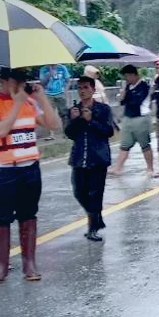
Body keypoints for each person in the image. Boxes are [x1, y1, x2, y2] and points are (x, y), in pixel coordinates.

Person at [0, 67, 62, 284]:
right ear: (3, 81)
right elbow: (0, 130)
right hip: (2, 169)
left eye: (24, 79)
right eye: (18, 79)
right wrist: (16, 102)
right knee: (0, 218)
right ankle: (1, 266)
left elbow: (54, 125)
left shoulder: (29, 102)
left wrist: (41, 98)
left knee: (28, 214)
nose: (22, 84)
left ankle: (29, 263)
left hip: (29, 167)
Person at [65, 76, 115, 241]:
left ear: (93, 89)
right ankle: (97, 218)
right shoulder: (74, 109)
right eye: (79, 88)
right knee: (79, 192)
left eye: (86, 87)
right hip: (79, 158)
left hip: (98, 158)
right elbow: (69, 134)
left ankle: (92, 228)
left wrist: (90, 120)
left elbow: (108, 131)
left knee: (96, 193)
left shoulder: (103, 109)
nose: (82, 91)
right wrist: (75, 120)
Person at [109, 64, 155, 177]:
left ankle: (150, 168)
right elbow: (123, 102)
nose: (126, 79)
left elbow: (136, 102)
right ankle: (118, 168)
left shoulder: (144, 86)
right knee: (124, 144)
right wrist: (122, 96)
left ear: (134, 75)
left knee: (145, 144)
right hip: (128, 117)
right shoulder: (127, 86)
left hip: (141, 118)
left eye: (127, 76)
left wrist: (126, 97)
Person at [38, 64, 70, 139]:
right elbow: (42, 83)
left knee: (64, 113)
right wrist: (49, 74)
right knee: (49, 114)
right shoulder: (43, 69)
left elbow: (68, 81)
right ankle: (51, 134)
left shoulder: (62, 67)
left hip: (60, 93)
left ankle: (65, 133)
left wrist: (65, 91)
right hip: (48, 94)